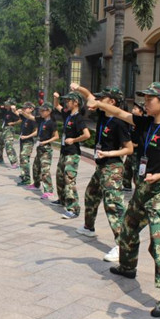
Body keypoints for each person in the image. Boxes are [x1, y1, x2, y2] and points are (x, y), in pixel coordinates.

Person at [88, 82, 160, 317]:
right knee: (127, 228)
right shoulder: (145, 123)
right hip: (143, 189)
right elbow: (118, 112)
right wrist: (96, 101)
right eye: (144, 98)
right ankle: (127, 267)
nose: (145, 102)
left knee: (159, 241)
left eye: (150, 98)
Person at [72, 84, 133, 263]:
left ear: (111, 102)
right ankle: (88, 227)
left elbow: (128, 149)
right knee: (91, 195)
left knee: (113, 205)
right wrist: (79, 89)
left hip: (113, 167)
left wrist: (109, 153)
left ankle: (122, 245)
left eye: (102, 99)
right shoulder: (102, 115)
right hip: (101, 167)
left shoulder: (119, 123)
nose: (97, 101)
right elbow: (89, 95)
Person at [52, 91, 90, 219]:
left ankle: (73, 208)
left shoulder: (78, 118)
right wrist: (55, 98)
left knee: (69, 179)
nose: (66, 102)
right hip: (64, 152)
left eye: (69, 100)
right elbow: (57, 106)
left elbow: (87, 135)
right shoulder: (68, 114)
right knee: (59, 177)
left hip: (72, 153)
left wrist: (73, 140)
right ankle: (62, 200)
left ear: (76, 103)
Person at [23, 102, 59, 199]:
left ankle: (49, 191)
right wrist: (21, 111)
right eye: (40, 110)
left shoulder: (52, 123)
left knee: (45, 170)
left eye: (43, 110)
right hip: (39, 147)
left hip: (46, 149)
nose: (41, 112)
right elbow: (30, 117)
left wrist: (46, 141)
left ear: (49, 111)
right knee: (35, 168)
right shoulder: (41, 120)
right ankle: (36, 184)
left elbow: (56, 137)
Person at [122, 102, 144, 192]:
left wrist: (136, 145)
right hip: (130, 150)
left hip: (137, 151)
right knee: (127, 168)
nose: (133, 110)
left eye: (135, 109)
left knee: (136, 170)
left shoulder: (143, 124)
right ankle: (127, 185)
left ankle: (139, 188)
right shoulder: (131, 122)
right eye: (133, 108)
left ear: (141, 112)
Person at [17, 102, 38, 186]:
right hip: (22, 141)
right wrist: (15, 109)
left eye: (26, 108)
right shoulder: (25, 117)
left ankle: (27, 178)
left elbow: (36, 132)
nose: (24, 109)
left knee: (24, 157)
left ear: (31, 109)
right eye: (24, 108)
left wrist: (27, 136)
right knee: (22, 158)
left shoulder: (33, 119)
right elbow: (16, 112)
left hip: (28, 141)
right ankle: (23, 174)